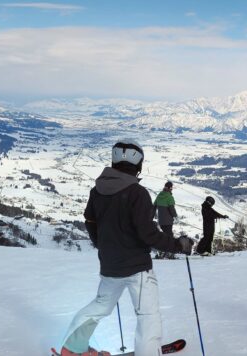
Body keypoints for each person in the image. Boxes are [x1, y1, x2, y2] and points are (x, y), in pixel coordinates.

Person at [56, 140, 193, 356]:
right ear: (138, 166)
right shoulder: (137, 193)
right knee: (147, 316)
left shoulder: (97, 191)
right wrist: (178, 245)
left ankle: (72, 349)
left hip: (110, 265)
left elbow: (90, 221)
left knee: (100, 307)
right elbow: (148, 234)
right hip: (137, 268)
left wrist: (102, 244)